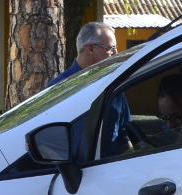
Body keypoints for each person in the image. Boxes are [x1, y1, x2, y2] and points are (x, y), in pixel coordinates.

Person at [47, 21, 134, 155]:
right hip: (72, 173)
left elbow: (125, 132)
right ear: (91, 49)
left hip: (113, 170)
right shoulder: (58, 90)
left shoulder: (113, 86)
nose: (116, 53)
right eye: (111, 48)